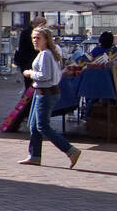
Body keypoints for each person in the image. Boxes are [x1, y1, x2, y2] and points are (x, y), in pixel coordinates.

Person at [19, 26, 82, 169]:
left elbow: (44, 76)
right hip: (41, 91)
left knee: (42, 126)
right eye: (33, 38)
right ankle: (34, 156)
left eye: (38, 38)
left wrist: (30, 73)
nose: (35, 40)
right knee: (34, 125)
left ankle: (70, 150)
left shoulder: (46, 54)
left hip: (46, 92)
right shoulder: (47, 53)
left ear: (46, 39)